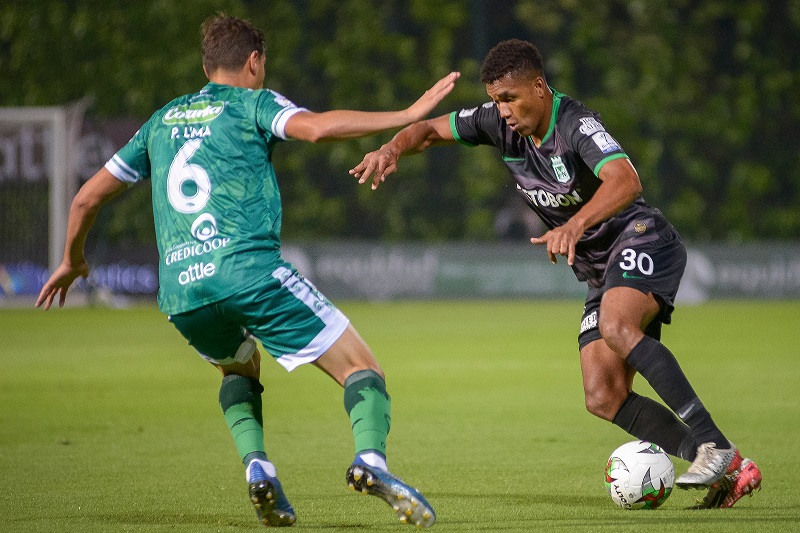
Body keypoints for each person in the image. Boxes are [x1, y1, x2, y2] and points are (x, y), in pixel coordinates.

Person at [36, 14, 460, 528]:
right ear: (254, 61)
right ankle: (370, 462)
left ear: (206, 64)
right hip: (248, 272)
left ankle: (258, 467)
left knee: (238, 369)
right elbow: (319, 128)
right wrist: (406, 113)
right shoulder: (254, 103)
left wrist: (71, 260)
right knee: (362, 369)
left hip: (181, 290)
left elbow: (84, 199)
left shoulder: (161, 121)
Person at [350, 38, 762, 509]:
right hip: (599, 269)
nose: (501, 110)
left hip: (643, 237)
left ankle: (715, 445)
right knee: (603, 396)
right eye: (495, 100)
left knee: (616, 326)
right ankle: (726, 467)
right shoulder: (496, 125)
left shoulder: (576, 123)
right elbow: (424, 131)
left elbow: (626, 180)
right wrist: (391, 148)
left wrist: (576, 223)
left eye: (510, 98)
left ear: (539, 87)